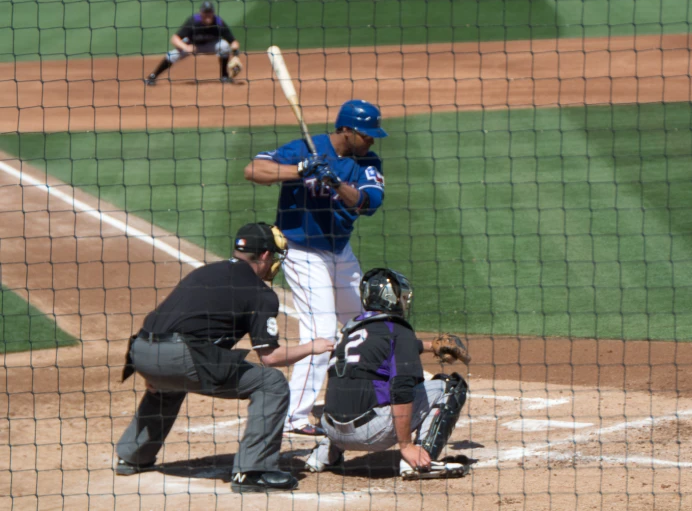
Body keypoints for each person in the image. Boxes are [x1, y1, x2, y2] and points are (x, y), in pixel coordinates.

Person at [115, 222, 334, 493]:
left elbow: (168, 318)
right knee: (272, 383)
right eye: (274, 256)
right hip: (179, 356)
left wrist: (155, 369)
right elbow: (271, 357)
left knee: (173, 383)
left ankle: (132, 456)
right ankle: (253, 472)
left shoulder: (207, 271)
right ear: (265, 255)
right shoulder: (260, 293)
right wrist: (314, 346)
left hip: (141, 350)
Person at [243, 99, 388, 436]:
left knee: (366, 322)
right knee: (321, 333)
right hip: (302, 252)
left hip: (340, 252)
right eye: (366, 135)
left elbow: (369, 203)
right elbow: (253, 170)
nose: (371, 141)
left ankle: (385, 389)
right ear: (347, 130)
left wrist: (335, 182)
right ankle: (293, 416)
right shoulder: (307, 148)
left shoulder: (367, 161)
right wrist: (299, 170)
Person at [304, 268, 472, 480]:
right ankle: (419, 459)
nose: (404, 302)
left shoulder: (350, 330)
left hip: (331, 429)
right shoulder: (399, 330)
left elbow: (381, 351)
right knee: (450, 386)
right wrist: (405, 445)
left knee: (353, 382)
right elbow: (402, 389)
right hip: (370, 434)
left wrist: (430, 346)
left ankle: (324, 454)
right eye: (402, 297)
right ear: (390, 298)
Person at [145, 0, 240, 85]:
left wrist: (235, 54)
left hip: (211, 46)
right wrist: (185, 47)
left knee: (224, 46)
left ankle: (224, 76)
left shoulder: (218, 22)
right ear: (201, 13)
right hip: (193, 46)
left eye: (209, 12)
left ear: (213, 13)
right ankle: (153, 76)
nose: (207, 15)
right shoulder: (193, 22)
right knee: (172, 55)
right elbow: (174, 38)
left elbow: (233, 41)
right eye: (205, 12)